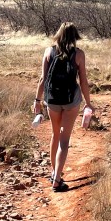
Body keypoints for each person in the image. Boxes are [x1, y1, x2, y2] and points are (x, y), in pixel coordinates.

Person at [33, 22, 92, 192]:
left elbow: (43, 80)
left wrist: (37, 101)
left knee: (55, 135)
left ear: (58, 34)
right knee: (64, 139)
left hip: (52, 99)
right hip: (71, 100)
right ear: (75, 36)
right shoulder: (79, 54)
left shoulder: (48, 51)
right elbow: (83, 81)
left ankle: (54, 173)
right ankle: (57, 179)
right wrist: (88, 103)